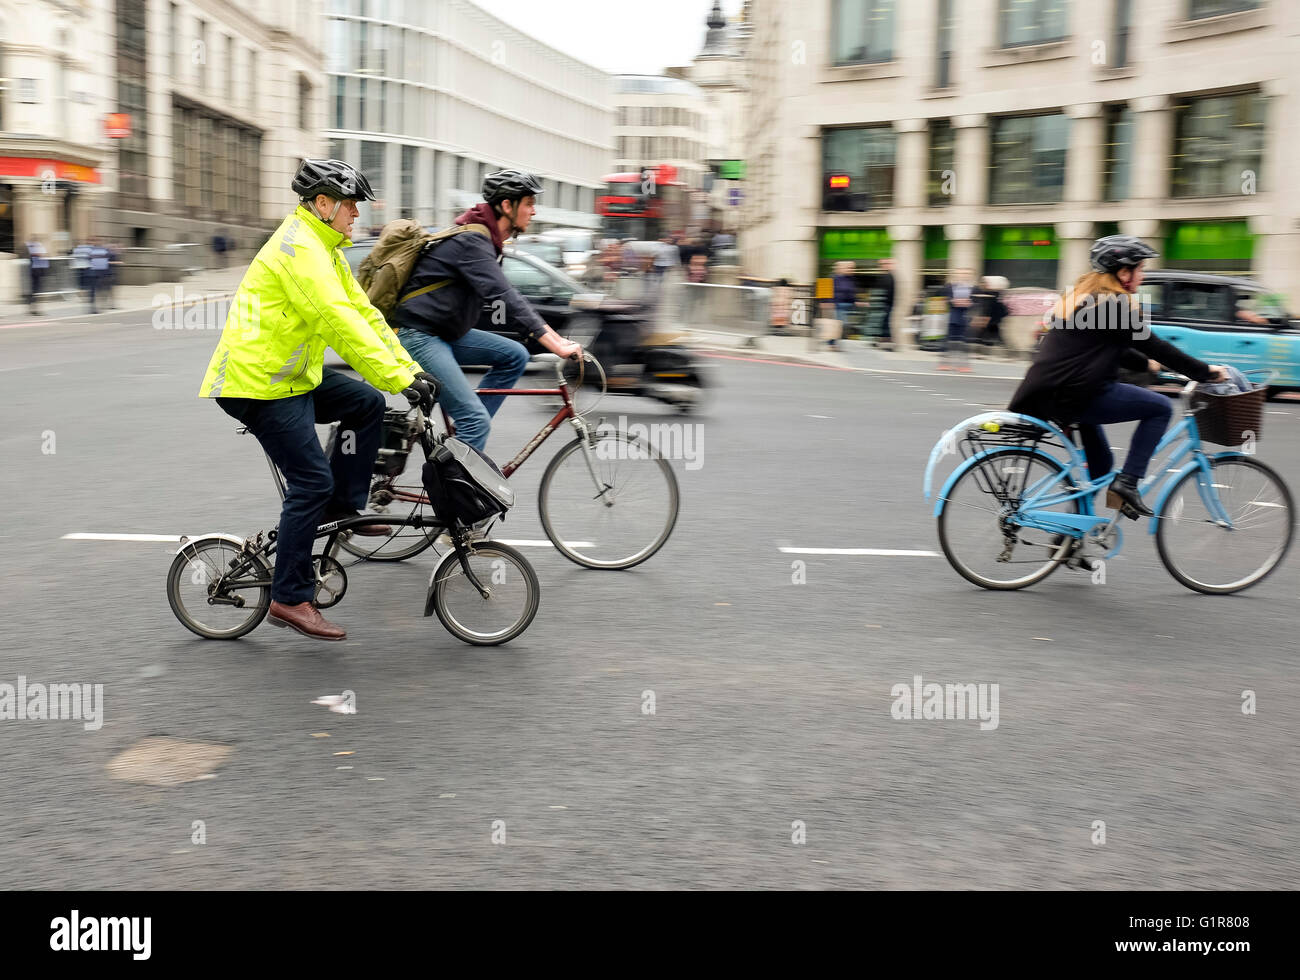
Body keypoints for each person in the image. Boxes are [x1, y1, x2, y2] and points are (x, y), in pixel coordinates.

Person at [198, 158, 435, 642]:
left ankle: (342, 508)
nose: (357, 215)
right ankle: (289, 597)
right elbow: (337, 322)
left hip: (292, 379)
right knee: (309, 481)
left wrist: (409, 370)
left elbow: (363, 314)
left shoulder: (324, 247)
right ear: (323, 204)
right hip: (256, 384)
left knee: (366, 404)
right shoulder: (298, 249)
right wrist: (398, 377)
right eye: (350, 205)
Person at [1008, 235, 1228, 519]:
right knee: (1160, 408)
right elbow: (1155, 345)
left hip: (1052, 394)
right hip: (1074, 395)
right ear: (1124, 272)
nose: (1143, 275)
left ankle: (1071, 536)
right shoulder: (1114, 306)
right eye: (1140, 269)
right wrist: (1206, 372)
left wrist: (1146, 365)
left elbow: (1111, 345)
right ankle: (1127, 483)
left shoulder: (1085, 298)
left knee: (1101, 464)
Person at [391, 169, 581, 453]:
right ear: (507, 205)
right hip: (419, 336)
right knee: (476, 421)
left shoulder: (486, 239)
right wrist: (556, 343)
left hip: (444, 332)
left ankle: (461, 443)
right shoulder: (473, 242)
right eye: (528, 203)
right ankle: (454, 489)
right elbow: (505, 295)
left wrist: (553, 340)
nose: (534, 211)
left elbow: (507, 301)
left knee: (515, 355)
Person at [939, 268, 974, 371]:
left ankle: (963, 365)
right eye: (961, 273)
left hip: (965, 318)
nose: (963, 275)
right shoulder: (949, 286)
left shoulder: (972, 288)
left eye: (966, 273)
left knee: (963, 342)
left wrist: (968, 303)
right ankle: (944, 364)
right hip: (953, 317)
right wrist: (954, 301)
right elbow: (946, 299)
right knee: (948, 341)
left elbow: (975, 302)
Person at [970, 275, 1010, 355]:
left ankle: (998, 343)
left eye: (985, 283)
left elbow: (991, 305)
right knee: (991, 328)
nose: (983, 285)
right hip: (991, 313)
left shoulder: (995, 292)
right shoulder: (987, 292)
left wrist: (986, 317)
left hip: (995, 314)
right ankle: (985, 342)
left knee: (993, 328)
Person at [831, 261, 857, 349]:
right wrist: (830, 302)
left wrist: (855, 301)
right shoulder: (836, 278)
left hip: (846, 305)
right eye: (849, 268)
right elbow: (834, 291)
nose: (851, 270)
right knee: (839, 325)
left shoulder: (849, 278)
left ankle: (832, 342)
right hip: (839, 304)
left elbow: (851, 291)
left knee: (840, 325)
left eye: (852, 268)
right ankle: (832, 343)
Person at [876, 257, 897, 350]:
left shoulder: (888, 276)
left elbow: (886, 292)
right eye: (882, 264)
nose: (883, 266)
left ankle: (887, 342)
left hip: (886, 304)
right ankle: (885, 341)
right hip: (887, 304)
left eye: (885, 264)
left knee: (885, 323)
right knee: (885, 323)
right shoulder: (888, 276)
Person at [25, 239, 49, 314]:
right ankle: (34, 308)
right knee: (36, 291)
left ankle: (32, 307)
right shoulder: (33, 255)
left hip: (36, 273)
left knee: (36, 291)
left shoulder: (33, 254)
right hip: (35, 273)